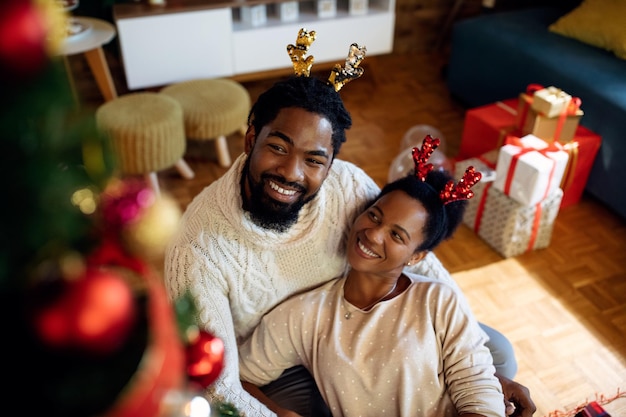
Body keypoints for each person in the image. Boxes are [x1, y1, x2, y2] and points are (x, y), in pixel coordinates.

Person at [164, 74, 535, 416]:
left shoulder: (347, 183)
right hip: (274, 355)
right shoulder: (197, 249)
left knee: (495, 350)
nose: (292, 172)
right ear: (250, 140)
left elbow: (416, 256)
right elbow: (217, 383)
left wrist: (482, 377)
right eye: (278, 147)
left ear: (330, 165)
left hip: (356, 311)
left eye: (313, 160)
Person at [238, 152, 505, 417]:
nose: (374, 234)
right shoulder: (303, 315)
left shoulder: (438, 300)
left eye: (397, 235)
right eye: (374, 216)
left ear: (416, 256)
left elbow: (478, 395)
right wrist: (277, 413)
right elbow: (236, 378)